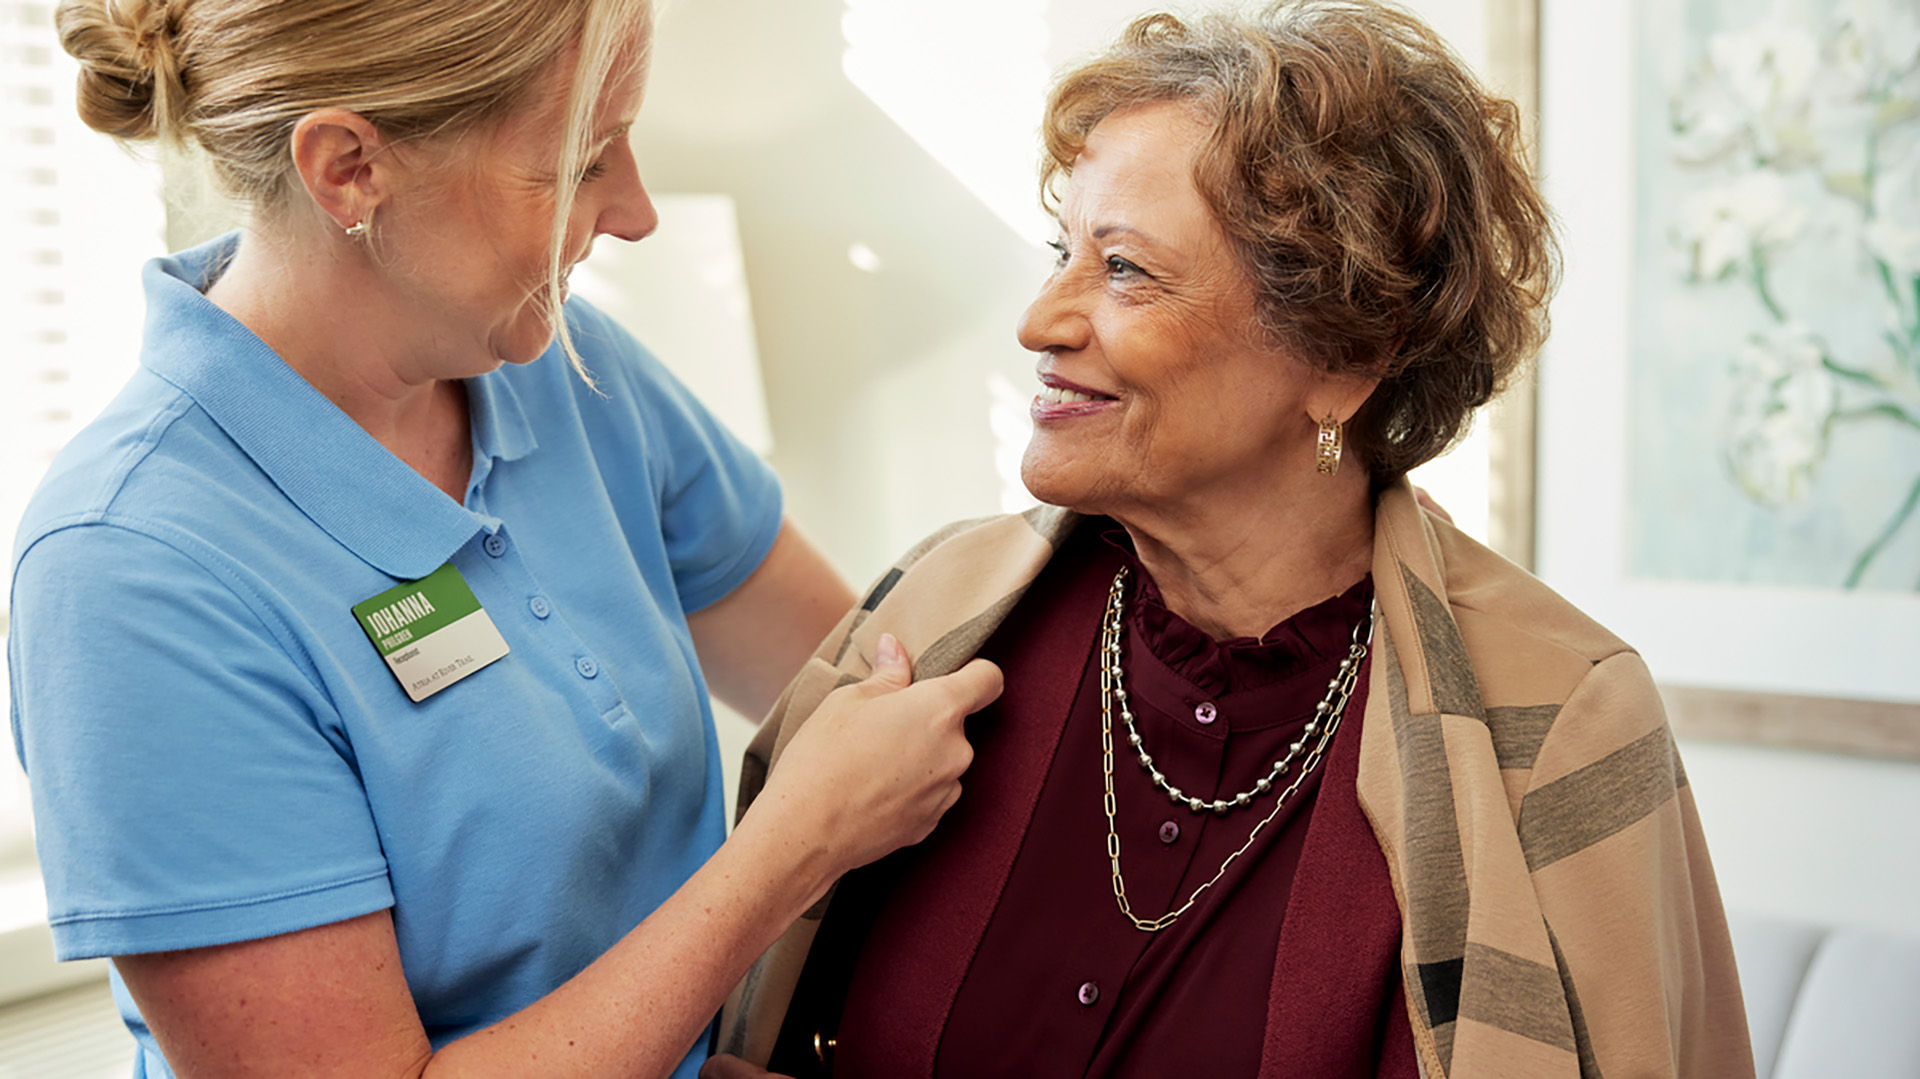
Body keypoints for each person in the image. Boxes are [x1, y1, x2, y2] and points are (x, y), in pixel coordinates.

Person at [706, 2, 1754, 1077]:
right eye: (1062, 250)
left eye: (1124, 270)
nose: (1038, 320)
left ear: (1343, 354)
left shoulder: (1558, 712)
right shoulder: (934, 612)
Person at [8, 1, 1002, 1077]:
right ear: (348, 168)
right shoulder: (130, 571)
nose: (635, 212)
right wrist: (789, 849)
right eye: (580, 161)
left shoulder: (569, 371)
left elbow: (871, 682)